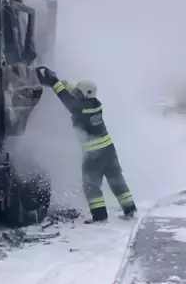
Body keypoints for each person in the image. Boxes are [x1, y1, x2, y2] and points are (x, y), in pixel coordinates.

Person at [37, 67, 137, 223]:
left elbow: (67, 99)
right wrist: (57, 81)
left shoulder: (80, 108)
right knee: (116, 179)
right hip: (109, 151)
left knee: (91, 186)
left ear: (84, 95)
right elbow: (74, 92)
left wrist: (53, 81)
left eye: (78, 93)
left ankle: (100, 217)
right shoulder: (95, 104)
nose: (75, 94)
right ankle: (130, 210)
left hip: (93, 155)